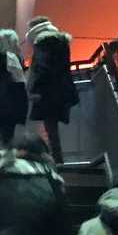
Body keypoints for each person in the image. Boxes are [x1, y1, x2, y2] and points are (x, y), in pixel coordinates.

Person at [25, 16, 79, 164]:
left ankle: (56, 160)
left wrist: (35, 89)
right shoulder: (62, 42)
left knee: (50, 128)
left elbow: (42, 67)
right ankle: (57, 158)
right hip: (61, 90)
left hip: (46, 92)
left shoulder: (42, 43)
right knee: (52, 127)